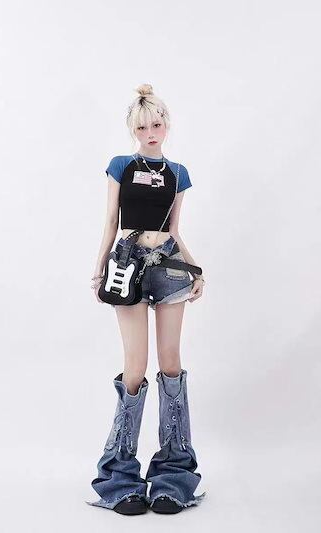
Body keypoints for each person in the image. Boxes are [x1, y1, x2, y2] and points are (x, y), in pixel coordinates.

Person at [86, 83, 206, 515]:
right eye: (142, 127)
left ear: (166, 125)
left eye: (156, 125)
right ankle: (119, 479)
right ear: (132, 129)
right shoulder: (120, 165)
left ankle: (174, 476)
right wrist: (100, 267)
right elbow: (111, 221)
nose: (150, 133)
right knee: (135, 366)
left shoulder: (178, 173)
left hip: (169, 263)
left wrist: (195, 268)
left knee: (171, 362)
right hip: (127, 262)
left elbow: (174, 230)